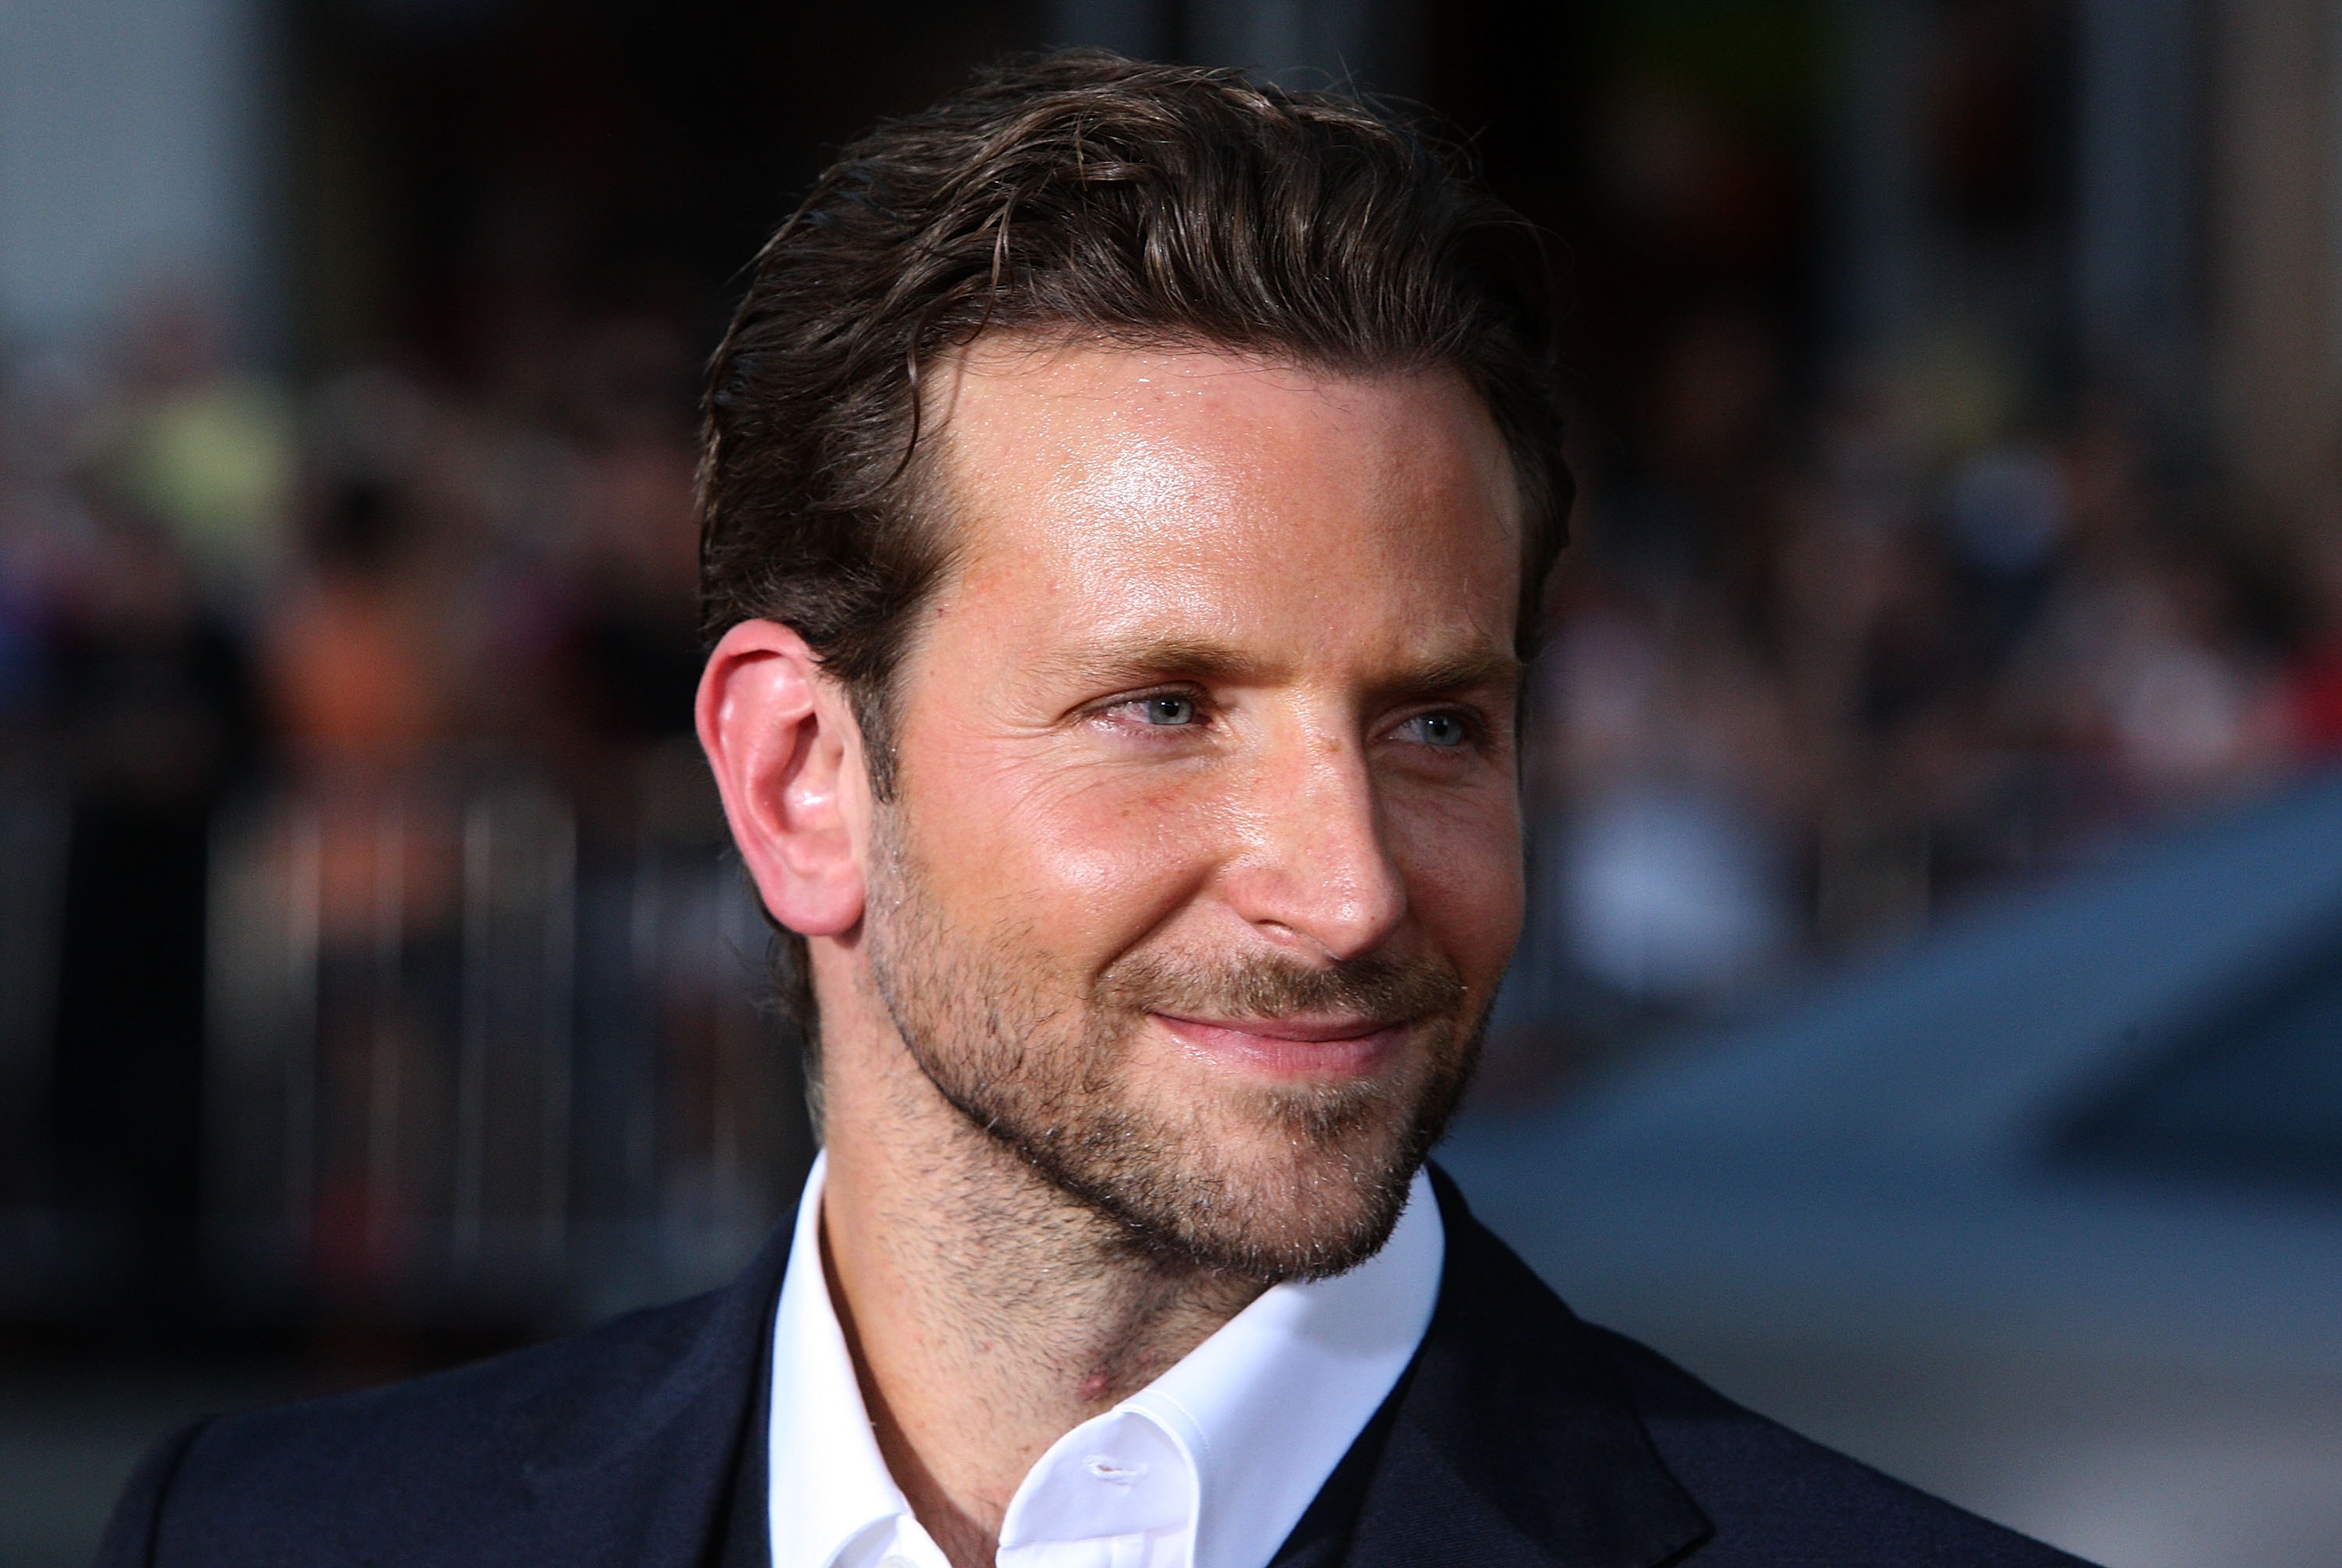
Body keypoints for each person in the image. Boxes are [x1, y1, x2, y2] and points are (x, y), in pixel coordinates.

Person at [99, 53, 2088, 1568]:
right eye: (1165, 707)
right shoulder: (278, 1534)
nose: (1345, 884)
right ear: (801, 779)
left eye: (1435, 727)